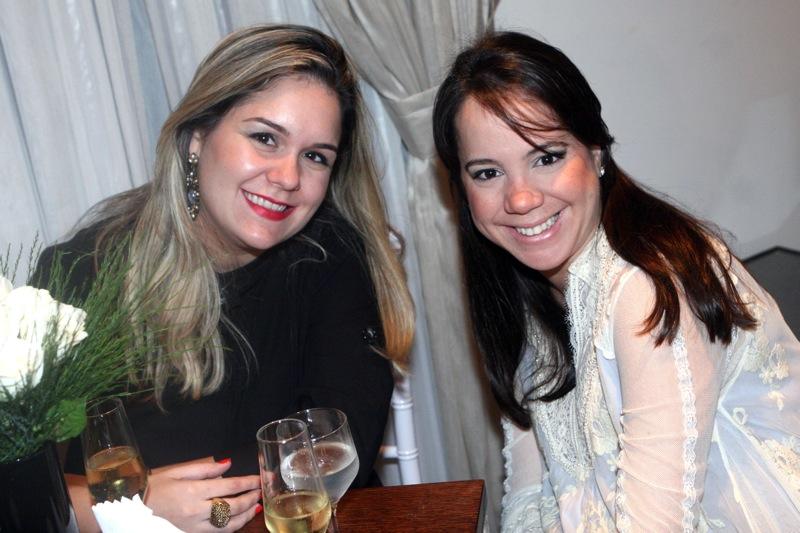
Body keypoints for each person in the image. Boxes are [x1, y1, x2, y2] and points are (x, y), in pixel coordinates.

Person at [36, 24, 414, 532]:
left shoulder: (330, 258)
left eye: (315, 156)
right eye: (265, 138)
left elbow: (333, 457)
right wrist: (132, 508)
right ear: (197, 137)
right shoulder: (84, 273)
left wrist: (200, 511)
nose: (288, 177)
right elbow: (19, 486)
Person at [433, 30, 800, 531]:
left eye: (546, 157)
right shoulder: (524, 285)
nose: (520, 199)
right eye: (487, 173)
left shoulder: (643, 290)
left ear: (597, 152)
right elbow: (529, 488)